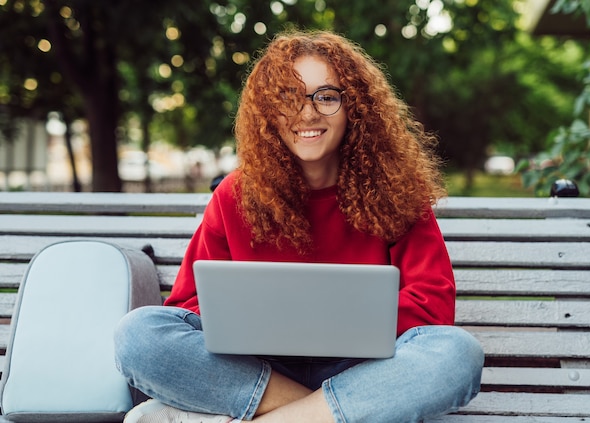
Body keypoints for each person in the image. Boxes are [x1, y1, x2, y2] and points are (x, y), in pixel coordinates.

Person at [114, 29, 484, 423]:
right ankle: (329, 413)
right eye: (289, 97)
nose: (307, 113)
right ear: (268, 112)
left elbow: (433, 305)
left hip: (366, 369)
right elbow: (188, 306)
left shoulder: (397, 192)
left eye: (326, 96)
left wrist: (343, 324)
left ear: (355, 106)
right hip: (259, 370)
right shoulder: (235, 194)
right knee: (137, 335)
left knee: (458, 355)